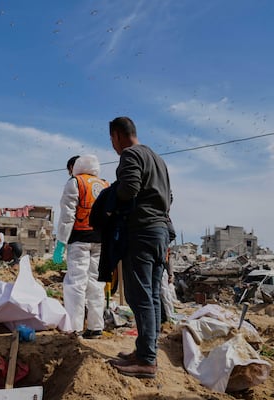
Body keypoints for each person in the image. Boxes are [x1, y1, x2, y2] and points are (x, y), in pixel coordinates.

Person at [106, 117, 172, 379]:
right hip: (159, 232)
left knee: (139, 296)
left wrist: (112, 199)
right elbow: (169, 197)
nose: (113, 145)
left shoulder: (131, 155)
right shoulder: (157, 158)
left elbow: (129, 188)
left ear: (118, 135)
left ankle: (146, 360)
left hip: (142, 233)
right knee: (152, 295)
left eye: (112, 140)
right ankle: (146, 351)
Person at [53, 154, 109, 338]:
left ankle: (74, 327)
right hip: (101, 240)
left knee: (75, 283)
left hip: (80, 238)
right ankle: (95, 327)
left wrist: (61, 242)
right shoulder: (104, 184)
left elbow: (68, 216)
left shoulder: (75, 183)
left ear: (74, 167)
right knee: (95, 283)